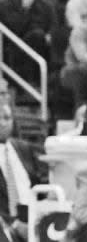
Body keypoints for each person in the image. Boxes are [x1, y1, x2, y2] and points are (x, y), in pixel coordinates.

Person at [0, 101, 45, 242]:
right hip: (6, 223)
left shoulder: (24, 148)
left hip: (33, 217)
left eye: (6, 118)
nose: (2, 123)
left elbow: (39, 185)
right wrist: (14, 224)